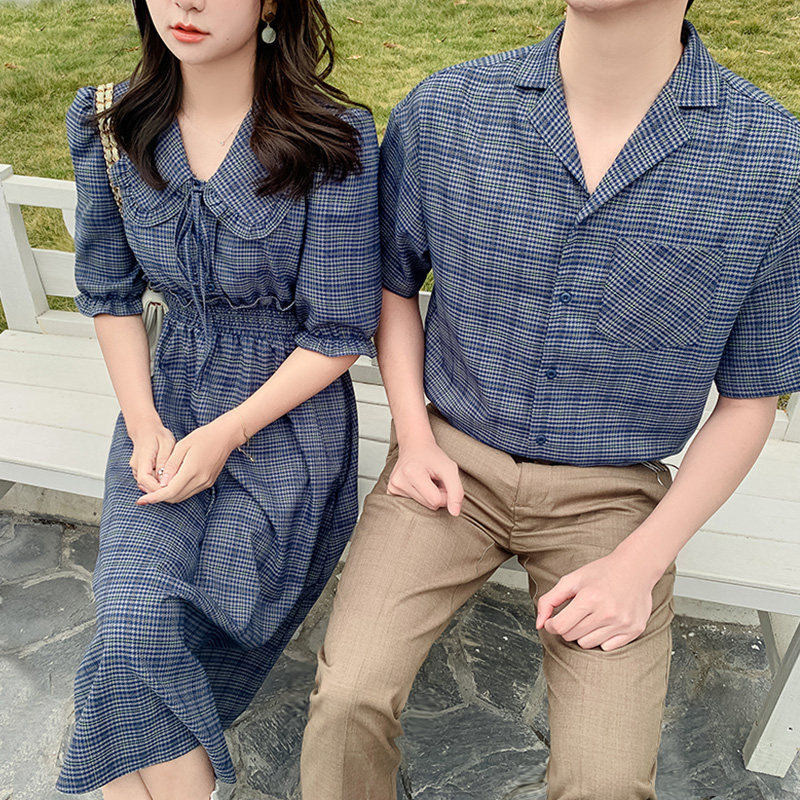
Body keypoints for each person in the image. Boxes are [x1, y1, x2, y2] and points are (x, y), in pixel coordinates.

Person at [300, 0, 800, 797]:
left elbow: (751, 398)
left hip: (612, 500)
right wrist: (414, 437)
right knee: (347, 698)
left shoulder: (773, 161)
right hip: (447, 462)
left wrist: (639, 564)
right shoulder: (447, 111)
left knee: (606, 780)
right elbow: (392, 285)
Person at [55, 0, 381, 798]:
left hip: (286, 421)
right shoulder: (109, 125)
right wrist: (144, 424)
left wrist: (228, 434)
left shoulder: (331, 136)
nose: (187, 4)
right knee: (131, 616)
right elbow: (109, 293)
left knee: (162, 625)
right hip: (167, 401)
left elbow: (339, 330)